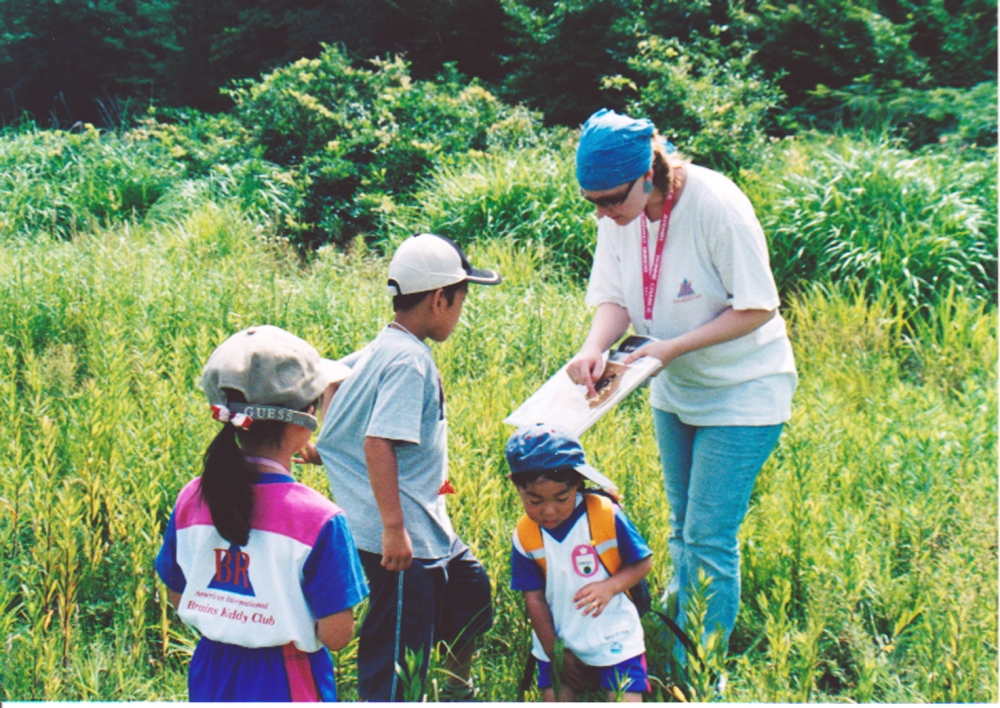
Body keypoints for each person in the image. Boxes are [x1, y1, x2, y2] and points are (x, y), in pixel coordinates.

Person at [566, 109, 798, 657]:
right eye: (590, 202)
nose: (601, 213)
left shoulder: (717, 205)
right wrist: (593, 348)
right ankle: (672, 650)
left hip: (744, 390)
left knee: (709, 539)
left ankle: (700, 670)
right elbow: (616, 298)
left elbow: (759, 307)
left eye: (609, 201)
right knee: (678, 529)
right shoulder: (617, 217)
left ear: (648, 173)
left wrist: (668, 348)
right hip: (673, 388)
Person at [310, 233, 501, 702]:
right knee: (396, 652)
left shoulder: (387, 345)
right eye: (461, 299)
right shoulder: (409, 362)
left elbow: (331, 374)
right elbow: (378, 443)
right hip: (400, 537)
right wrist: (395, 529)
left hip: (427, 524)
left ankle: (457, 690)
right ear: (440, 298)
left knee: (470, 595)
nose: (460, 311)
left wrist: (326, 445)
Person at [155, 325, 369, 702]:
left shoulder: (192, 496)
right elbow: (336, 635)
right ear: (305, 418)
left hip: (211, 669)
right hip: (287, 677)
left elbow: (177, 592)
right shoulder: (320, 519)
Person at [506, 423, 653, 702]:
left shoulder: (604, 515)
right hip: (560, 636)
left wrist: (609, 587)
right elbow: (534, 598)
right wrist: (554, 652)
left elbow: (643, 563)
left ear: (578, 483)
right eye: (534, 500)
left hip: (614, 633)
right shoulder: (525, 535)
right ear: (516, 485)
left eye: (561, 498)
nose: (549, 511)